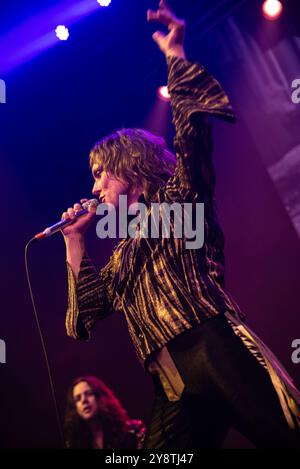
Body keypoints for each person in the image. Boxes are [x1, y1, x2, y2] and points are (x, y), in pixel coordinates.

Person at [61, 1, 300, 448]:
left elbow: (192, 136)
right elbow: (82, 319)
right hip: (171, 381)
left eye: (100, 173)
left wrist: (176, 57)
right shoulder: (123, 251)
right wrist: (74, 242)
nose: (94, 188)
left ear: (130, 167)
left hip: (215, 349)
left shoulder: (179, 198)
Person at [64, 375, 146, 449]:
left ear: (101, 397)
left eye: (89, 394)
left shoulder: (133, 430)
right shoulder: (75, 444)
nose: (84, 400)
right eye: (78, 398)